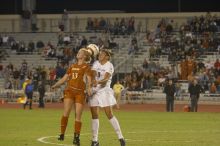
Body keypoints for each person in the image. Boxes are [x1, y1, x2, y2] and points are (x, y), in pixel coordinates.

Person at [51, 48, 92, 146]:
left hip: (80, 93)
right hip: (69, 91)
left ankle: (76, 138)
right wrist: (55, 85)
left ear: (85, 56)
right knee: (66, 113)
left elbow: (89, 78)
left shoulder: (86, 67)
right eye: (78, 52)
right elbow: (65, 78)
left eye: (80, 52)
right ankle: (62, 134)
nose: (78, 53)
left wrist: (89, 87)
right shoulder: (72, 66)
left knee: (78, 115)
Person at [89, 49, 126, 146]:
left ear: (107, 56)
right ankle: (95, 141)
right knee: (94, 115)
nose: (100, 54)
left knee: (109, 114)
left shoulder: (109, 65)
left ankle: (121, 137)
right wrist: (93, 80)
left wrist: (97, 82)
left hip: (104, 90)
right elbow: (93, 72)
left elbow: (105, 80)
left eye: (102, 54)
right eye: (100, 53)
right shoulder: (96, 63)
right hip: (94, 90)